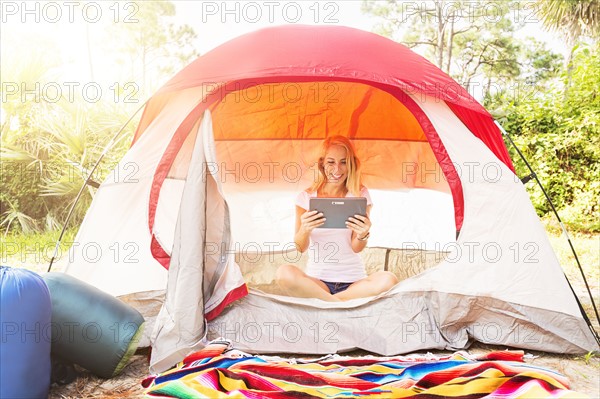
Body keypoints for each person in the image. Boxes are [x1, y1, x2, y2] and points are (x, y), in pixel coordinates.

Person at [276, 135, 398, 301]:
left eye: (343, 162)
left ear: (351, 164)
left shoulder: (359, 194)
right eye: (331, 162)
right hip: (318, 282)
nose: (337, 169)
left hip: (354, 282)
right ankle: (340, 303)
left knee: (388, 279)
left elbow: (356, 247)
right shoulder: (305, 197)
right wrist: (305, 229)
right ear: (322, 164)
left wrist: (363, 234)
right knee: (284, 273)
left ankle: (329, 302)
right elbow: (300, 247)